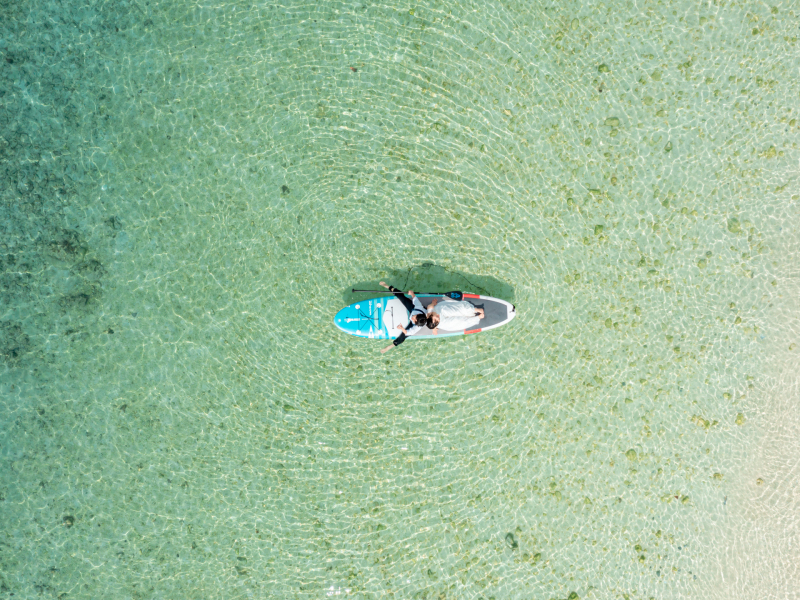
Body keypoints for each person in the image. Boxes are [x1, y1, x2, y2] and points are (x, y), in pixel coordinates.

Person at [379, 281, 428, 353]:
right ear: (417, 314)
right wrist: (411, 293)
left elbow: (407, 332)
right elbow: (414, 298)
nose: (412, 318)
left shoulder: (416, 327)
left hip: (419, 320)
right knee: (402, 297)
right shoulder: (418, 307)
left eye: (414, 320)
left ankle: (391, 345)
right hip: (415, 310)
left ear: (416, 323)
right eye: (414, 317)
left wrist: (402, 328)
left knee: (403, 336)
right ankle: (387, 286)